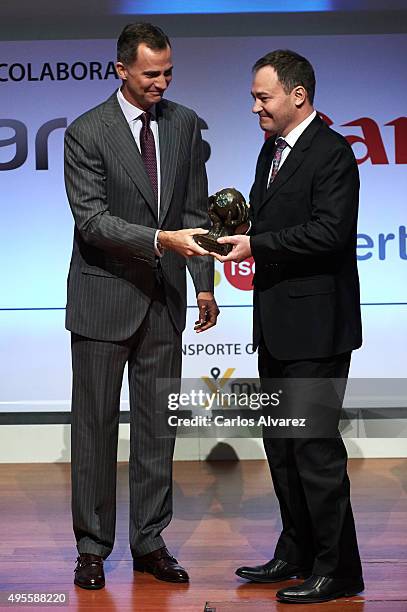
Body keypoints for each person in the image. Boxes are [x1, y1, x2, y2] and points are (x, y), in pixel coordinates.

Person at [64, 22, 218, 590]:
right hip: (103, 299)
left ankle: (150, 540)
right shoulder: (86, 132)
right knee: (95, 431)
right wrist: (161, 241)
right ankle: (92, 548)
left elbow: (195, 211)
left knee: (158, 431)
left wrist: (203, 282)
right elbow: (93, 220)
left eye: (168, 72)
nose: (162, 82)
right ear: (121, 69)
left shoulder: (183, 124)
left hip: (164, 301)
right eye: (151, 73)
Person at [212, 50, 364, 604]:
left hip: (318, 329)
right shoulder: (271, 151)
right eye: (254, 96)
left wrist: (258, 243)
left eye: (263, 96)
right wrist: (233, 227)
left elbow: (330, 234)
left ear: (297, 95)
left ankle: (340, 568)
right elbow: (272, 221)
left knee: (314, 451)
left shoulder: (332, 153)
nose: (255, 106)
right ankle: (296, 551)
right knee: (281, 446)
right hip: (276, 327)